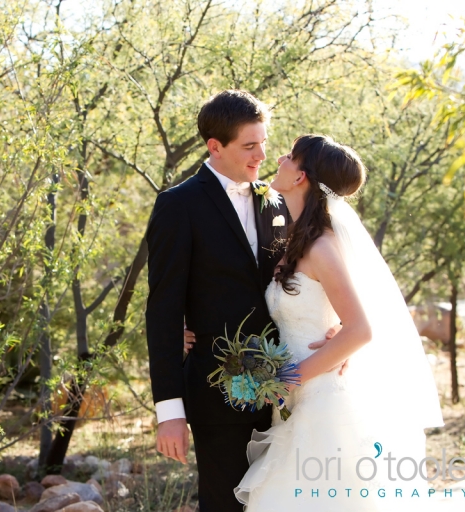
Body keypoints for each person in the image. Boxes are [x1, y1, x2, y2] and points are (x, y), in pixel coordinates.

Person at [185, 135, 444, 510]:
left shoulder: (321, 247)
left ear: (300, 177)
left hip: (323, 402)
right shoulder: (295, 240)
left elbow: (361, 329)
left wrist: (286, 379)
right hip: (295, 402)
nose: (279, 158)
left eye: (290, 156)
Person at [146, 90, 314, 511]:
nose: (262, 155)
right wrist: (170, 411)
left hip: (289, 389)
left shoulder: (276, 201)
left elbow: (305, 277)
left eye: (264, 142)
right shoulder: (177, 205)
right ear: (215, 147)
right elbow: (163, 309)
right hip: (217, 392)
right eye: (249, 145)